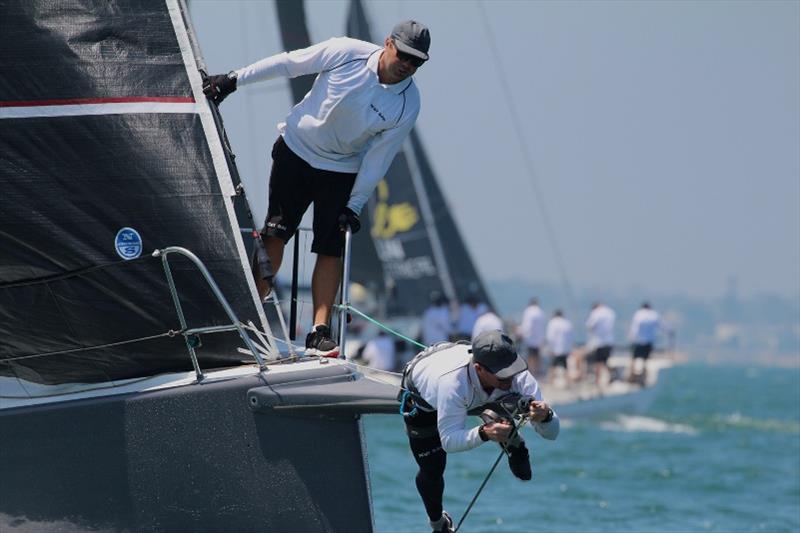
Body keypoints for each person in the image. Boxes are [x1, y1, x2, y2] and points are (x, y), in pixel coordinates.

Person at [203, 21, 431, 357]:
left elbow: (378, 159)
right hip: (296, 149)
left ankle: (319, 332)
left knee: (330, 247)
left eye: (417, 62)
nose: (407, 65)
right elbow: (290, 63)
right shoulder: (347, 52)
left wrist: (354, 205)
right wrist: (234, 79)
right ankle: (247, 317)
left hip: (340, 170)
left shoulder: (408, 102)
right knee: (275, 233)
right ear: (388, 43)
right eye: (404, 55)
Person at [398, 330, 559, 532]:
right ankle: (439, 523)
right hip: (425, 399)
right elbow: (449, 441)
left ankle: (507, 433)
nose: (510, 378)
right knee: (432, 469)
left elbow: (553, 434)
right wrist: (484, 433)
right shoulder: (452, 384)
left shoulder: (516, 376)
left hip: (477, 392)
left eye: (512, 370)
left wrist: (546, 416)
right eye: (502, 375)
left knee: (519, 401)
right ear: (479, 368)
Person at [627, 301, 661, 383]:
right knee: (645, 360)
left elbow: (634, 327)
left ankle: (631, 377)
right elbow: (661, 325)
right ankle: (643, 377)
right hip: (649, 341)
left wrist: (631, 338)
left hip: (638, 341)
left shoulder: (638, 314)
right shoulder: (654, 315)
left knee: (633, 359)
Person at [585, 302, 616, 385]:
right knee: (604, 361)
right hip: (609, 341)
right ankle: (611, 374)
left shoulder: (596, 313)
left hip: (599, 341)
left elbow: (590, 325)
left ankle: (597, 380)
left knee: (598, 362)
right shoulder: (610, 312)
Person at [517, 297, 545, 376]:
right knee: (537, 356)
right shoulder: (540, 312)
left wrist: (523, 333)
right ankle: (537, 372)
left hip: (530, 338)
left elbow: (527, 325)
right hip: (539, 339)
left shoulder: (529, 311)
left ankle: (531, 373)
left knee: (530, 356)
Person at [545, 309, 573, 384]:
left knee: (552, 366)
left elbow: (550, 337)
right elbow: (570, 337)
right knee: (565, 366)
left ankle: (550, 382)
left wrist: (550, 348)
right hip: (565, 349)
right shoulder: (567, 323)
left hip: (555, 349)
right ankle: (568, 382)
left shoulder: (552, 322)